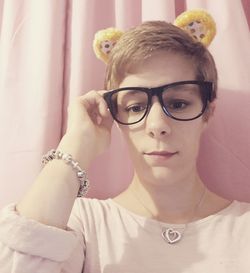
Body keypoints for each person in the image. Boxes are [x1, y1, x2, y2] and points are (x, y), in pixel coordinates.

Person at [1, 10, 250, 273]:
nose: (157, 126)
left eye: (178, 104)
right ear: (114, 115)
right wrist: (76, 143)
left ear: (208, 112)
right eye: (135, 107)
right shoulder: (79, 224)